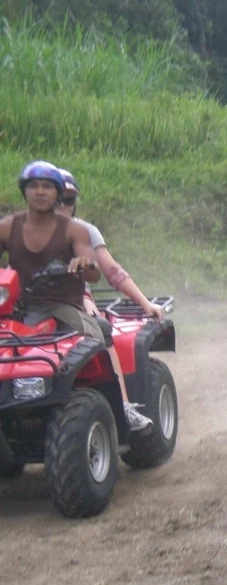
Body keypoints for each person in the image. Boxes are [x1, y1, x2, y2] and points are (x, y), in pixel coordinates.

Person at [57, 168, 161, 431]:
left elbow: (110, 271)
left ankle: (124, 406)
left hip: (76, 299)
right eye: (56, 198)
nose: (61, 205)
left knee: (100, 329)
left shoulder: (84, 231)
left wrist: (145, 304)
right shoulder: (20, 230)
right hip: (25, 304)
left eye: (67, 199)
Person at [0, 161, 104, 344]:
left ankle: (111, 374)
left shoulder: (74, 230)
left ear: (58, 193)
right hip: (17, 307)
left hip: (64, 308)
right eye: (33, 186)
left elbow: (95, 274)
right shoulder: (7, 228)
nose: (40, 191)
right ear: (24, 191)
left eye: (47, 186)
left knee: (92, 340)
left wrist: (85, 264)